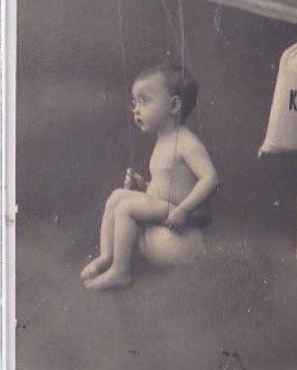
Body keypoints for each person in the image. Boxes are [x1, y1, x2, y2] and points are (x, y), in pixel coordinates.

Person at [81, 63, 218, 290]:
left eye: (144, 101)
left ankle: (121, 272)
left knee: (126, 209)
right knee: (117, 196)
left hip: (180, 215)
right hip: (165, 209)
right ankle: (107, 255)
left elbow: (210, 178)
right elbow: (167, 183)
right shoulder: (163, 139)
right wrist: (144, 185)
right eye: (135, 103)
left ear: (173, 105)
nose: (136, 110)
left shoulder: (187, 142)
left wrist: (183, 210)